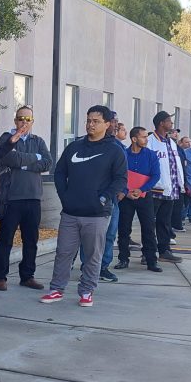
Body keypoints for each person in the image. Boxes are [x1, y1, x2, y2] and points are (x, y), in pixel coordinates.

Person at [40, 105, 127, 307]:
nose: (90, 124)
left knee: (92, 255)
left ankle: (87, 291)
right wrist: (65, 196)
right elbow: (60, 172)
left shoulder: (115, 150)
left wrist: (104, 198)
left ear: (107, 124)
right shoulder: (74, 147)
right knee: (63, 252)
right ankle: (56, 289)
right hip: (71, 212)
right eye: (88, 120)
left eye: (95, 121)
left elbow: (120, 179)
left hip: (97, 214)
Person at [0, 105, 51, 291]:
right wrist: (34, 158)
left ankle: (27, 276)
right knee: (5, 239)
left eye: (28, 119)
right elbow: (9, 159)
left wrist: (24, 164)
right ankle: (0, 277)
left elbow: (47, 162)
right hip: (11, 198)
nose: (24, 122)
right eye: (21, 119)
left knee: (31, 240)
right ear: (15, 120)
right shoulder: (6, 138)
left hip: (33, 197)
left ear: (32, 122)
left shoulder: (38, 140)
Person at [114, 126, 162, 272]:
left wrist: (142, 189)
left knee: (148, 228)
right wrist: (126, 191)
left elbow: (156, 175)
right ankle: (123, 259)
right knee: (123, 229)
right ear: (134, 139)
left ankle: (151, 260)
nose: (146, 140)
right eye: (143, 137)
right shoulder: (123, 154)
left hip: (144, 196)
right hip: (126, 197)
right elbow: (118, 174)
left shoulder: (151, 155)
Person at [147, 111, 185, 263]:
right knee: (149, 222)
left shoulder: (171, 142)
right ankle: (148, 252)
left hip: (170, 189)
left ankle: (164, 250)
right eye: (169, 121)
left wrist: (181, 184)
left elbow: (177, 165)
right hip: (155, 189)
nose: (172, 124)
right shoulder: (150, 141)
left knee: (165, 222)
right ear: (161, 123)